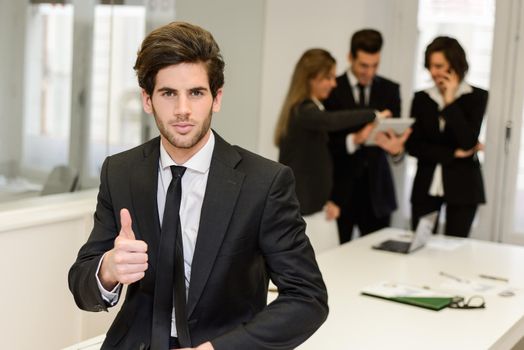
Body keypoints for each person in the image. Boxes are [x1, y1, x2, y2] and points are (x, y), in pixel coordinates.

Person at [68, 22, 328, 350]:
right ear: (147, 100)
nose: (182, 110)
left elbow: (308, 298)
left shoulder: (264, 183)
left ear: (216, 98)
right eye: (168, 93)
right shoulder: (120, 171)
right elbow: (82, 284)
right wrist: (107, 269)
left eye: (196, 92)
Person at [275, 48, 378, 252]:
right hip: (303, 212)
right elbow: (331, 121)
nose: (334, 83)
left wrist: (326, 201)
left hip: (315, 208)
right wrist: (372, 114)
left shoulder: (310, 109)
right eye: (328, 77)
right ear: (311, 79)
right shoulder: (303, 111)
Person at [324, 29, 411, 243]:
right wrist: (355, 139)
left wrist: (397, 150)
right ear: (350, 57)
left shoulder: (390, 90)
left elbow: (396, 141)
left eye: (375, 65)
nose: (369, 72)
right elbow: (324, 142)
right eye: (364, 65)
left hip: (378, 192)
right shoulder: (332, 89)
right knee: (336, 258)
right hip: (339, 192)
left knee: (379, 259)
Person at [405, 36, 488, 237]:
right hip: (426, 185)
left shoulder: (477, 96)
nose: (433, 72)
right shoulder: (422, 98)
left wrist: (450, 102)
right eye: (430, 66)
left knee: (457, 248)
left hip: (464, 186)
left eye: (439, 66)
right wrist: (453, 153)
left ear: (455, 65)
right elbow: (414, 146)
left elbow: (468, 140)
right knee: (420, 246)